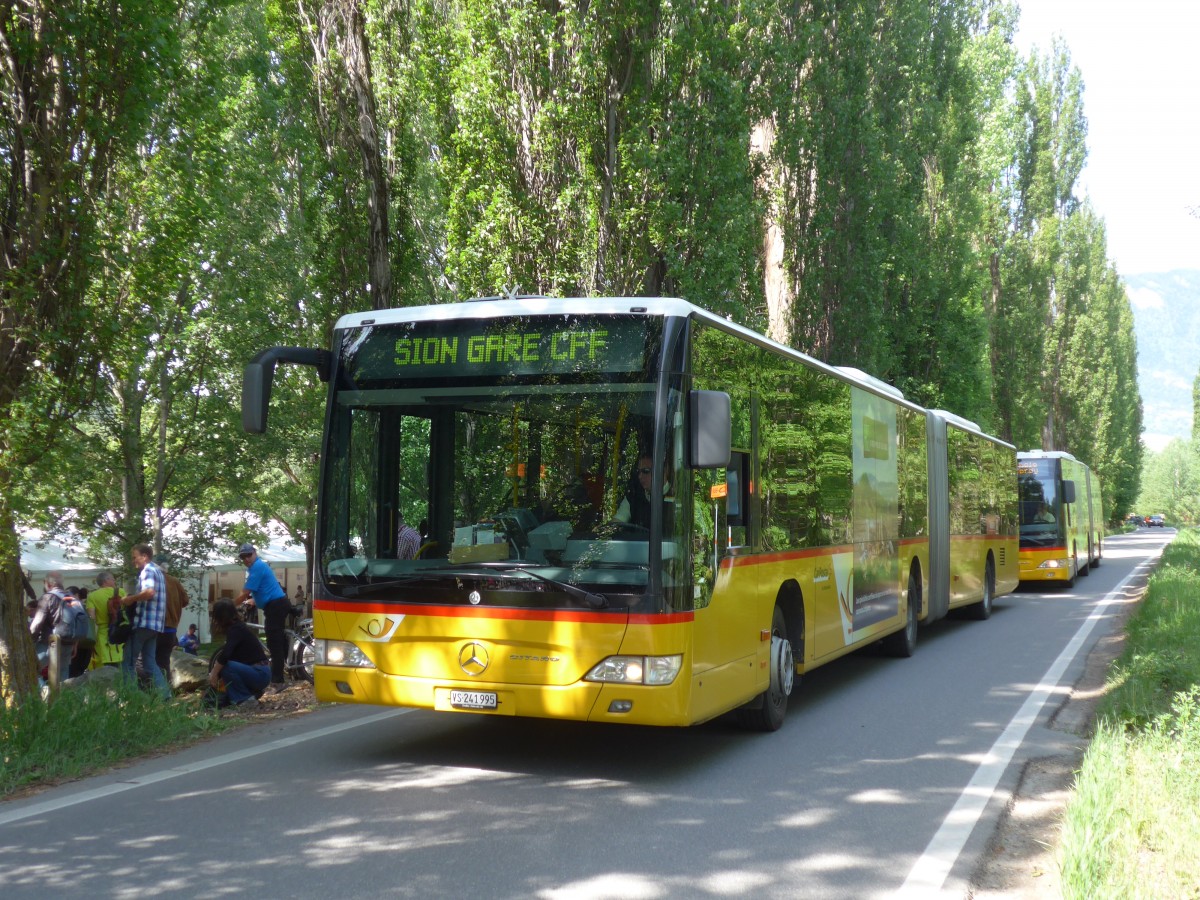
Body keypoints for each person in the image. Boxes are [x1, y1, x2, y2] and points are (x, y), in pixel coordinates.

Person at [120, 543, 172, 700]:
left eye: (135, 557)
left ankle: (130, 697)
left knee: (128, 662)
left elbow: (149, 592)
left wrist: (130, 599)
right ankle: (165, 695)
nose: (133, 561)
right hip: (155, 625)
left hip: (144, 624)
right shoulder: (159, 572)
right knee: (150, 663)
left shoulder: (148, 570)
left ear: (144, 556)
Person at [234, 543, 290, 690]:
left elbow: (244, 592)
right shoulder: (256, 568)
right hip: (275, 605)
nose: (246, 559)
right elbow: (261, 590)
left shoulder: (257, 568)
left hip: (276, 607)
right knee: (279, 640)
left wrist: (229, 605)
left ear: (255, 553)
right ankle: (289, 670)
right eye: (243, 557)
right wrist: (254, 600)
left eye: (248, 555)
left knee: (274, 644)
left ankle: (278, 682)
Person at [207, 598, 270, 710]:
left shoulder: (236, 630)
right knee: (226, 668)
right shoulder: (237, 627)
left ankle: (245, 699)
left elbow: (225, 655)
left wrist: (214, 673)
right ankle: (250, 693)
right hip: (258, 672)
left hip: (260, 673)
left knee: (227, 666)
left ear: (221, 616)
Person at [29, 572, 71, 688]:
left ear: (47, 583)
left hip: (49, 642)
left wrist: (29, 639)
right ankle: (63, 701)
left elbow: (37, 623)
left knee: (30, 668)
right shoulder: (70, 596)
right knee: (62, 673)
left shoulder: (47, 597)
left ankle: (42, 696)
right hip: (68, 642)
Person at [614, 454, 673, 530]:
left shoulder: (677, 498)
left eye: (646, 471)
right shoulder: (633, 498)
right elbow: (616, 523)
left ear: (664, 470)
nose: (640, 476)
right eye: (638, 471)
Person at [154, 555, 187, 681]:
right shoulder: (174, 581)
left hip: (155, 628)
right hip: (171, 629)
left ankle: (153, 692)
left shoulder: (151, 581)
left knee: (150, 661)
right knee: (164, 661)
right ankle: (165, 691)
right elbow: (185, 601)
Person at [88, 572, 122, 667]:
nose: (114, 581)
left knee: (105, 660)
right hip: (120, 631)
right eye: (112, 579)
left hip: (103, 632)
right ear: (105, 581)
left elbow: (92, 616)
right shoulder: (121, 592)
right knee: (121, 660)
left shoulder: (92, 596)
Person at [67, 586, 94, 678]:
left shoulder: (74, 608)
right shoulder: (86, 607)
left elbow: (77, 628)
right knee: (80, 671)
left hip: (78, 644)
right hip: (88, 643)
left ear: (76, 595)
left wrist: (74, 645)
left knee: (73, 673)